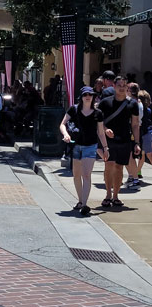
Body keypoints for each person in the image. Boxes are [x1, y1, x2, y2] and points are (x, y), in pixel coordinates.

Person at [60, 87, 108, 215]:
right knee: (76, 175)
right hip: (76, 145)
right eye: (85, 94)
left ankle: (85, 204)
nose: (88, 96)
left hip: (90, 146)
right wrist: (65, 134)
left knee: (86, 174)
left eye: (90, 94)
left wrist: (105, 148)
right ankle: (80, 200)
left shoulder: (98, 113)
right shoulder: (73, 109)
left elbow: (101, 132)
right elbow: (62, 124)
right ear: (81, 96)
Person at [97, 75, 141, 209]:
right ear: (114, 87)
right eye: (119, 85)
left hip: (124, 139)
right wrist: (105, 130)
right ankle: (108, 195)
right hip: (109, 140)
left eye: (124, 86)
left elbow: (135, 124)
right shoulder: (105, 103)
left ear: (127, 87)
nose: (122, 88)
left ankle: (116, 195)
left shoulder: (132, 104)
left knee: (119, 167)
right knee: (109, 166)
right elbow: (99, 122)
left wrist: (137, 143)